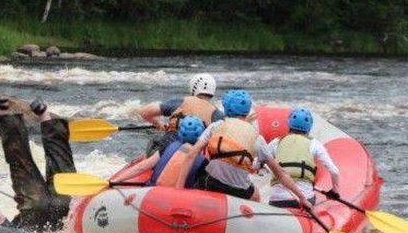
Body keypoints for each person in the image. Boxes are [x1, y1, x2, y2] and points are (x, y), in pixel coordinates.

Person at [175, 90, 312, 208]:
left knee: (200, 171)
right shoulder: (258, 138)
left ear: (226, 109)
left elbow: (191, 155)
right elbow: (281, 174)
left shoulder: (216, 126)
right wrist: (302, 198)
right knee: (256, 195)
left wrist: (178, 191)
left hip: (211, 183)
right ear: (247, 112)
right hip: (239, 191)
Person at [0, 97, 76, 231]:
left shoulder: (18, 230)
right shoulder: (15, 228)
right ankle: (6, 111)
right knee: (19, 159)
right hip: (34, 205)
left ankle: (42, 113)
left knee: (59, 157)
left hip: (60, 204)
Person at [267, 108, 341, 208]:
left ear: (289, 124)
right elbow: (334, 171)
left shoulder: (276, 142)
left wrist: (260, 166)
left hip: (277, 200)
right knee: (312, 197)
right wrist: (334, 190)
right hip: (305, 199)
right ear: (309, 127)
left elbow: (256, 163)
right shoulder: (315, 144)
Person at [139, 73, 224, 156]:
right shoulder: (218, 114)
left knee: (155, 141)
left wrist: (157, 123)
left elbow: (145, 112)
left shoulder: (181, 102)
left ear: (193, 87)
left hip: (171, 147)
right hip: (195, 154)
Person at [113, 116, 207, 187]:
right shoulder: (203, 161)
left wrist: (116, 180)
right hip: (175, 198)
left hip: (152, 189)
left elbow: (142, 167)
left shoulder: (169, 146)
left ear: (179, 133)